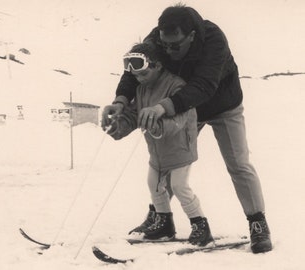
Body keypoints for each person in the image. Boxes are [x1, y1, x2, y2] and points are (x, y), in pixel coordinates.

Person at [102, 4, 271, 254]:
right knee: (169, 159)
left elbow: (204, 85)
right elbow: (135, 70)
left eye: (175, 46)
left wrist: (162, 107)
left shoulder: (214, 40)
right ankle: (161, 219)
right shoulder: (159, 37)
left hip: (222, 105)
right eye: (165, 45)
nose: (168, 51)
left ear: (192, 35)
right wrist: (120, 101)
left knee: (238, 164)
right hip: (180, 106)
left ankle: (258, 223)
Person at [106, 42, 213, 246]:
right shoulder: (141, 90)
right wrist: (116, 126)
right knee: (153, 184)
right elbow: (133, 114)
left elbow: (181, 119)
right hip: (157, 153)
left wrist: (158, 127)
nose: (139, 79)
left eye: (144, 74)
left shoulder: (176, 86)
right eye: (136, 76)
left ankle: (201, 226)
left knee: (179, 186)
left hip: (180, 148)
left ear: (158, 66)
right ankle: (164, 223)